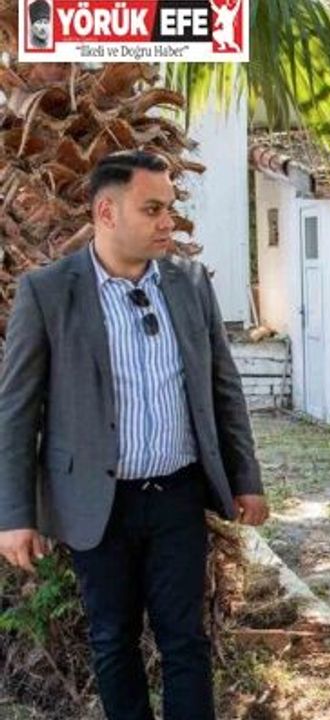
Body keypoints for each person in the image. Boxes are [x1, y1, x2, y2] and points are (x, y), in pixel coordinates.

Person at [0, 150, 269, 720]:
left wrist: (246, 479)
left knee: (186, 640)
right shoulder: (48, 292)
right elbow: (16, 412)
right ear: (106, 212)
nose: (169, 222)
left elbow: (224, 387)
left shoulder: (189, 282)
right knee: (112, 639)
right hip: (97, 502)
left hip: (177, 494)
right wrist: (14, 515)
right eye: (152, 209)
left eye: (169, 208)